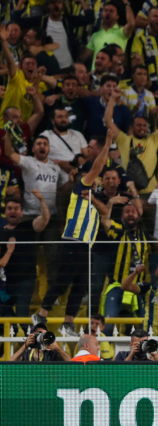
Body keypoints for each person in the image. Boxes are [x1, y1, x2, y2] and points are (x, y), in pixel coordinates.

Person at [32, 130, 112, 336]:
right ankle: (41, 314)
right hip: (73, 240)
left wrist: (94, 198)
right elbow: (97, 167)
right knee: (64, 280)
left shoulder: (92, 198)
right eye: (91, 176)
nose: (95, 179)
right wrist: (108, 144)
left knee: (80, 285)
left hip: (86, 244)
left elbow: (106, 211)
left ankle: (68, 324)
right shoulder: (79, 189)